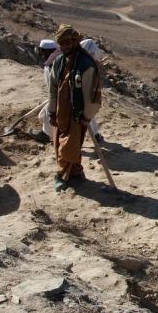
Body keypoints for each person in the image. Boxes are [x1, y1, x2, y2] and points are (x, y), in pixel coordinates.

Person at [47, 24, 101, 191]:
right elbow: (53, 88)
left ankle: (61, 175)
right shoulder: (58, 62)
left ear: (75, 42)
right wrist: (51, 110)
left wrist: (86, 116)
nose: (66, 46)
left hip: (77, 114)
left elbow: (91, 94)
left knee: (68, 147)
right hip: (60, 112)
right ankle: (76, 172)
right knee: (60, 144)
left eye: (69, 43)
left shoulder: (86, 64)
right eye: (62, 43)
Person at [79, 38, 104, 144]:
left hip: (87, 94)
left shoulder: (88, 61)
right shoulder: (79, 61)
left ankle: (95, 135)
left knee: (90, 114)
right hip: (79, 94)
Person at [35, 39, 59, 142]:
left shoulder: (54, 65)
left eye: (42, 51)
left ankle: (45, 135)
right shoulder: (51, 62)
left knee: (48, 114)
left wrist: (53, 97)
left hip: (58, 96)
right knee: (45, 113)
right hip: (55, 95)